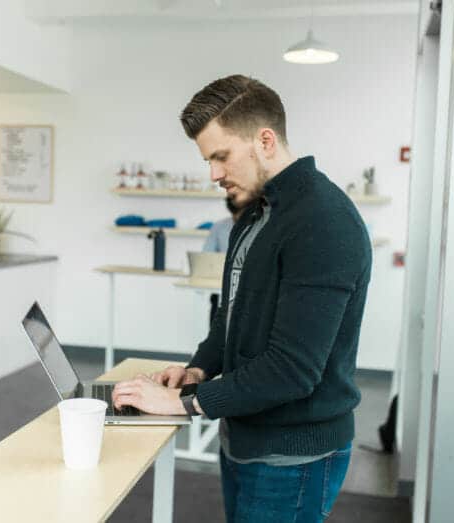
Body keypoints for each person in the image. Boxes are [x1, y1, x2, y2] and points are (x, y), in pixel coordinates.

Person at [112, 74, 371, 522]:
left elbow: (291, 372)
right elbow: (230, 319)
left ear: (265, 140)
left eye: (221, 156)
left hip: (293, 457)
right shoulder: (254, 214)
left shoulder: (324, 222)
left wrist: (184, 403)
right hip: (246, 437)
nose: (214, 174)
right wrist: (198, 369)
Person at [203, 196, 243, 324]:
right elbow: (206, 256)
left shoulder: (260, 227)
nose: (238, 218)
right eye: (235, 214)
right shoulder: (219, 227)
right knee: (217, 323)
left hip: (247, 288)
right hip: (220, 285)